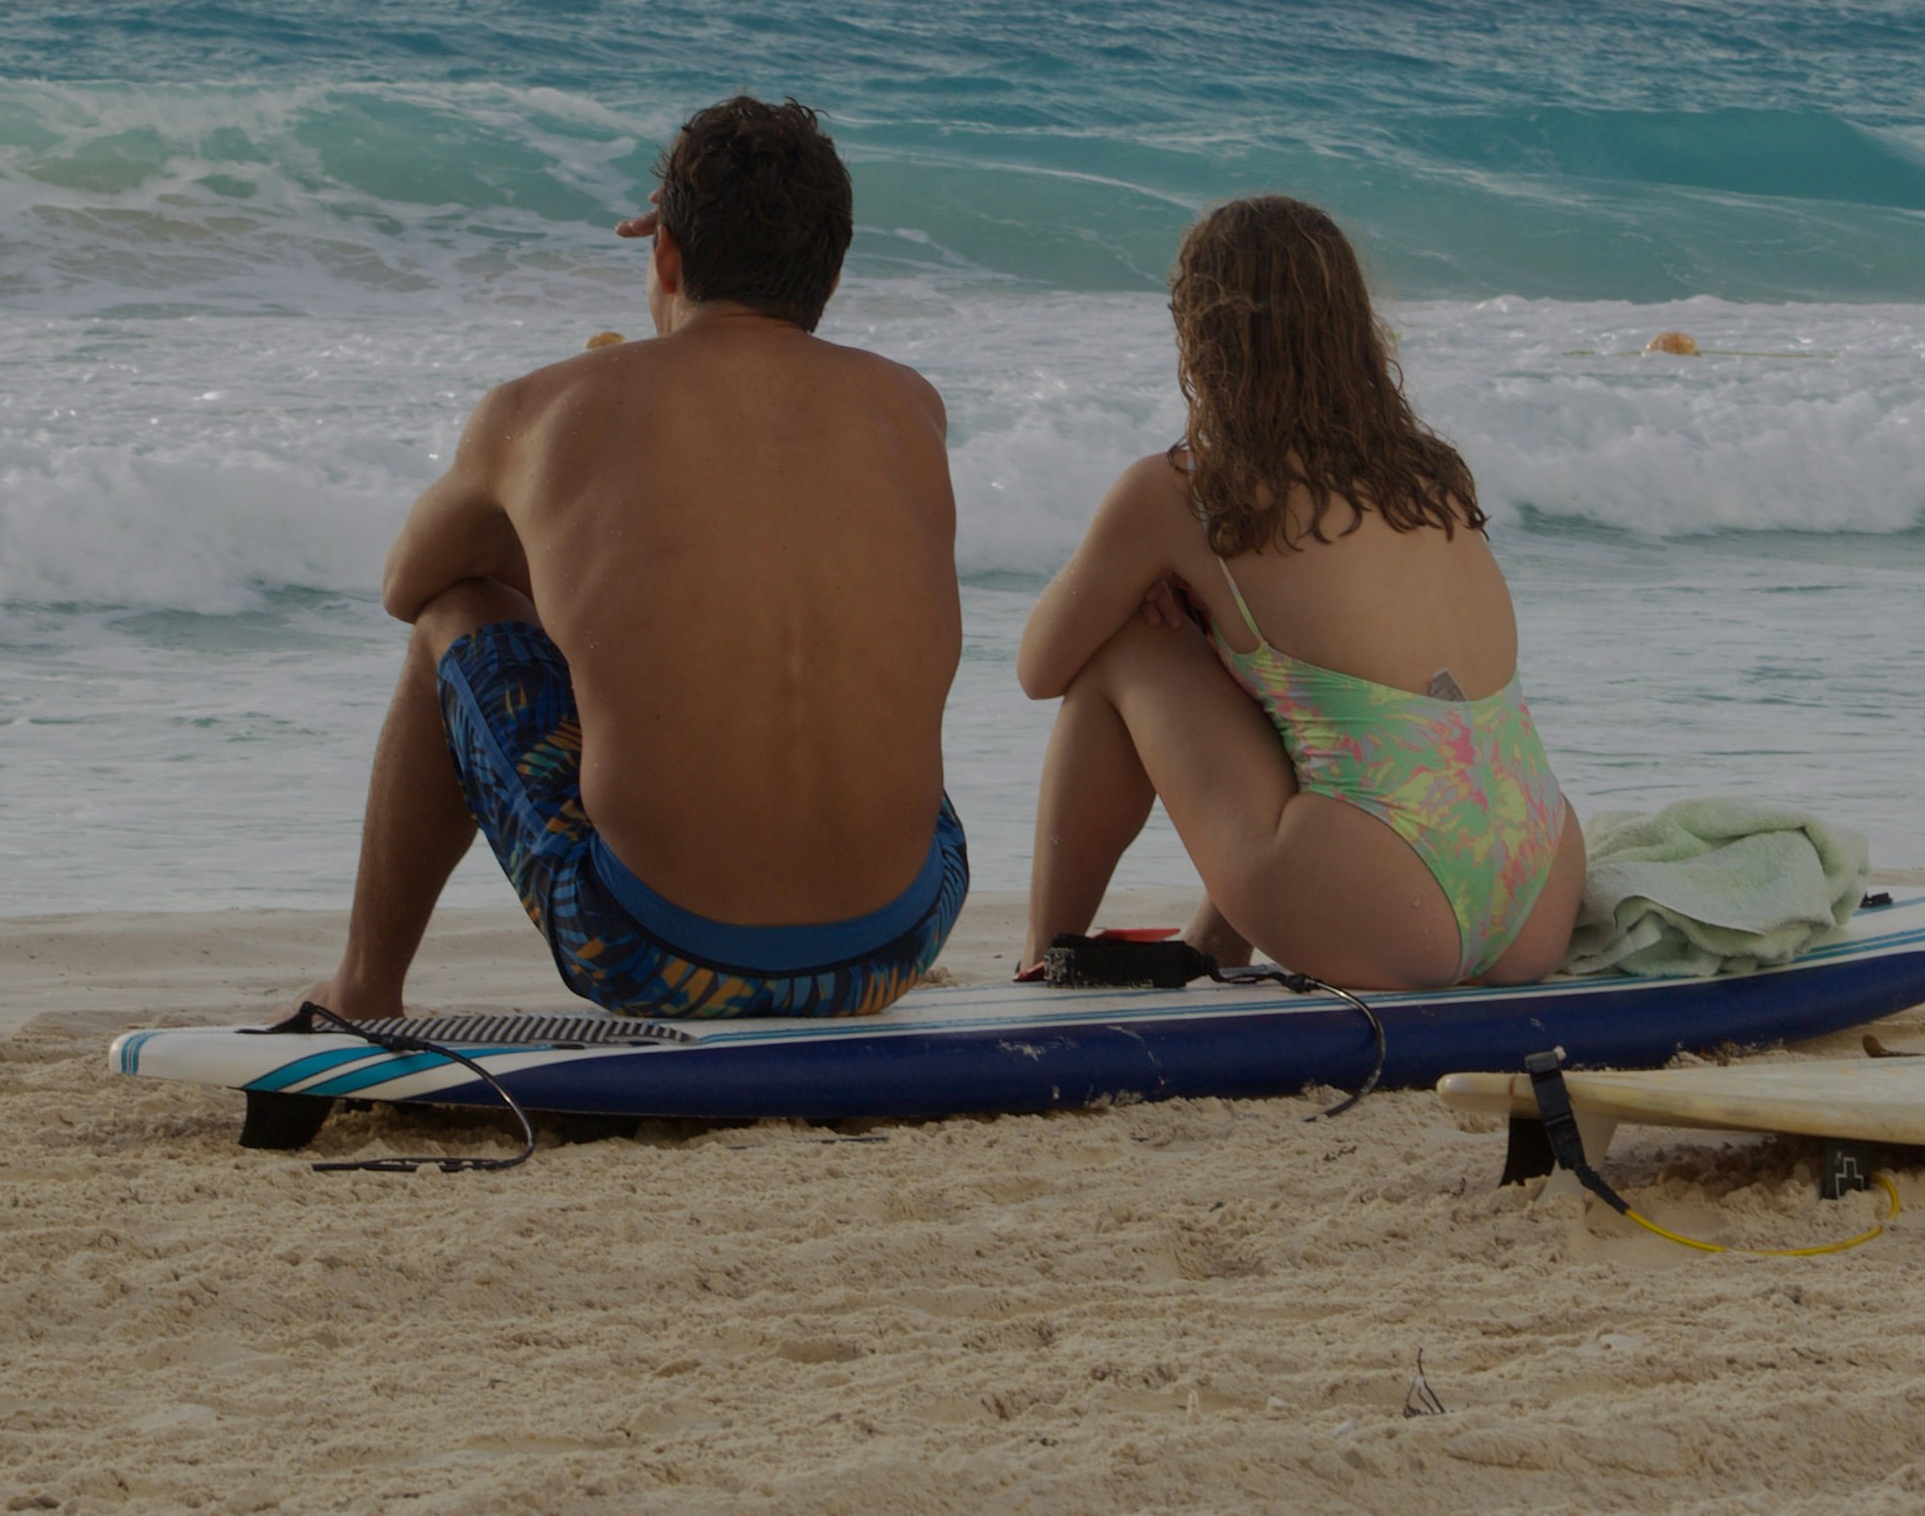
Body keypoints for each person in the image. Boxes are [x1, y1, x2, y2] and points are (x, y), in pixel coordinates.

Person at [300, 96, 969, 1023]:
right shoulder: (908, 407)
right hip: (898, 940)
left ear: (664, 252)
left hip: (655, 952)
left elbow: (407, 585)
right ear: (834, 268)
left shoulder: (548, 409)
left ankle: (361, 987)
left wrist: (557, 515)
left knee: (455, 611)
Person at [1013, 195, 1582, 990]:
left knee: (1127, 644)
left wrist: (1169, 591)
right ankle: (1217, 941)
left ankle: (1044, 959)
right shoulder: (1434, 476)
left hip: (1390, 904)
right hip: (1538, 886)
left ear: (1200, 334)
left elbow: (1040, 667)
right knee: (1309, 694)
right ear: (1352, 325)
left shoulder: (1186, 492)